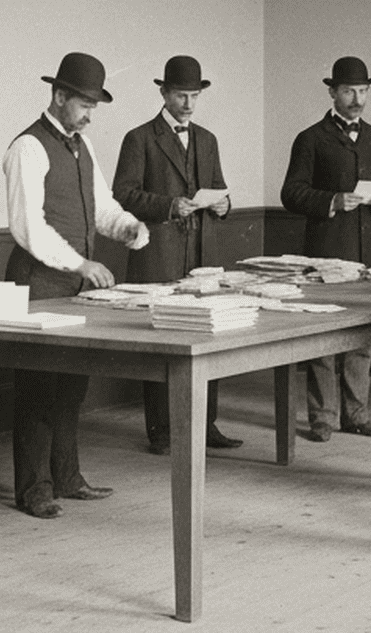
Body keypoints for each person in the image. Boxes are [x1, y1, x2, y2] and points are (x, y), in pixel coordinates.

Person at [3, 51, 150, 518]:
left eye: (95, 106)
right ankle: (34, 489)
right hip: (39, 283)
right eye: (84, 104)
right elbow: (28, 226)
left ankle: (67, 477)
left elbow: (101, 205)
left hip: (74, 286)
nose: (90, 115)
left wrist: (127, 227)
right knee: (38, 389)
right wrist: (81, 263)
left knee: (70, 387)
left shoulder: (81, 147)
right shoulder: (28, 147)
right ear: (59, 96)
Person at [112, 55, 243, 455]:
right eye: (181, 95)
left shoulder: (207, 139)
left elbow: (219, 187)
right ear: (164, 93)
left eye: (194, 96)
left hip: (201, 251)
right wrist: (170, 206)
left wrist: (223, 205)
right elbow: (124, 194)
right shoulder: (139, 138)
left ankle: (207, 425)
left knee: (209, 332)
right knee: (163, 340)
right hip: (159, 253)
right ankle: (163, 431)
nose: (188, 103)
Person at [280, 56, 371, 443]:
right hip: (327, 253)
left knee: (362, 337)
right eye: (349, 91)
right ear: (333, 92)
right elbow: (291, 193)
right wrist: (332, 200)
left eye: (363, 91)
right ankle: (323, 417)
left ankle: (357, 415)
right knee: (324, 336)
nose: (357, 98)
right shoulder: (310, 138)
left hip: (369, 253)